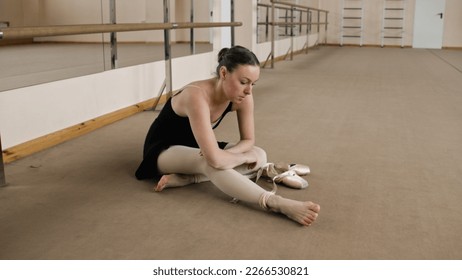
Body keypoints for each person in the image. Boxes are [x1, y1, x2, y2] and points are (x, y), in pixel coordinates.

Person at [135, 45, 320, 226]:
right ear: (223, 73)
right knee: (211, 163)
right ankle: (275, 202)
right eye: (243, 82)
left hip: (197, 146)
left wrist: (239, 155)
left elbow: (248, 140)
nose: (249, 90)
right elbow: (214, 160)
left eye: (253, 84)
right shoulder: (196, 96)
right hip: (163, 150)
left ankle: (190, 178)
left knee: (259, 153)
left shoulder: (244, 97)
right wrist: (241, 157)